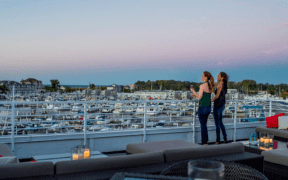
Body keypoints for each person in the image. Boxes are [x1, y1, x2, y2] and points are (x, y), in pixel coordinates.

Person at [190, 71, 215, 146]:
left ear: (205, 77)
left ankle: (204, 142)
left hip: (202, 107)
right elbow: (205, 96)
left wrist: (193, 91)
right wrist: (196, 95)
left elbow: (200, 97)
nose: (201, 76)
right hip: (208, 108)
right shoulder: (210, 86)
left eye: (202, 75)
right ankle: (205, 141)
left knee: (203, 125)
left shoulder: (202, 86)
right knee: (204, 125)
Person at [212, 72, 228, 144]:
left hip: (217, 106)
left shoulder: (220, 85)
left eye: (218, 76)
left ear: (222, 78)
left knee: (217, 124)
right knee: (221, 123)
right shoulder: (224, 85)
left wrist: (210, 100)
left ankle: (218, 140)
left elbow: (217, 96)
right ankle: (225, 138)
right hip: (221, 106)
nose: (217, 77)